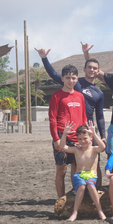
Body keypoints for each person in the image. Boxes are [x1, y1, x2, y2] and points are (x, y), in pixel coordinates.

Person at [35, 45, 106, 186]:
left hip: (85, 131)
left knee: (87, 167)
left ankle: (88, 194)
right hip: (65, 133)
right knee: (63, 170)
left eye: (95, 68)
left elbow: (100, 116)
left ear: (98, 71)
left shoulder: (98, 92)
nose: (71, 80)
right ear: (84, 70)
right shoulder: (77, 85)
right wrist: (44, 59)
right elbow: (54, 74)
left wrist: (101, 134)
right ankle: (65, 199)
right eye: (89, 67)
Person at [48, 64, 87, 198]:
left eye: (73, 78)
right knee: (61, 170)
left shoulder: (80, 96)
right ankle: (61, 199)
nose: (71, 81)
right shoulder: (56, 96)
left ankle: (75, 197)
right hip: (62, 136)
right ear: (63, 79)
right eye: (68, 78)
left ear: (77, 79)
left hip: (77, 138)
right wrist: (56, 139)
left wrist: (86, 136)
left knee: (76, 169)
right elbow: (52, 119)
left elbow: (84, 118)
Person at [59, 121, 106, 222]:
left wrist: (94, 133)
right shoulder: (77, 150)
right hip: (79, 175)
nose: (82, 141)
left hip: (91, 175)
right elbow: (63, 147)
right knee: (82, 186)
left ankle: (100, 210)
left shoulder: (94, 149)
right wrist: (65, 134)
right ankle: (74, 212)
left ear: (90, 138)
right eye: (79, 139)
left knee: (90, 186)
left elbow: (103, 147)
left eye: (85, 138)